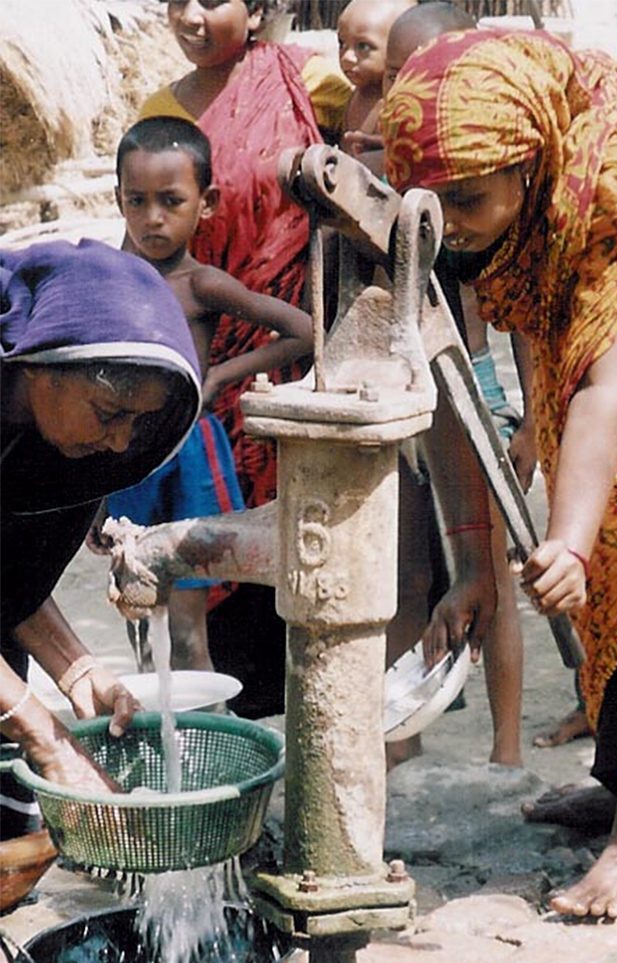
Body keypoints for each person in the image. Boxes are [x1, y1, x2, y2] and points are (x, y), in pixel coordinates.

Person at [381, 28, 617, 916]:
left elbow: (600, 385)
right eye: (432, 204)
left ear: (529, 168)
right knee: (575, 517)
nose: (451, 222)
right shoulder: (456, 205)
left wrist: (573, 539)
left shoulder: (606, 177)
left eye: (469, 202)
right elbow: (456, 382)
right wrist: (476, 564)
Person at [135, 0, 349, 717]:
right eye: (177, 0)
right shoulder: (160, 112)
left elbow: (377, 141)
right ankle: (183, 722)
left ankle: (264, 720)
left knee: (270, 541)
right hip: (170, 410)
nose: (191, 15)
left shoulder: (307, 82)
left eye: (213, 0)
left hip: (268, 371)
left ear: (259, 10)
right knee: (160, 573)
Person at [0, 238, 201, 830]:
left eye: (137, 423)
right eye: (110, 412)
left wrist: (77, 671)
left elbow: (9, 580)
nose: (119, 442)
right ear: (42, 364)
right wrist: (45, 736)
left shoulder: (55, 449)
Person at [105, 116, 313, 673]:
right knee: (137, 611)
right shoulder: (110, 278)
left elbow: (302, 330)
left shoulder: (201, 285)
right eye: (137, 201)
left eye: (170, 201)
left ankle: (204, 748)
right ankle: (155, 741)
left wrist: (219, 377)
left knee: (189, 626)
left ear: (207, 202)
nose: (153, 218)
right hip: (127, 454)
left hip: (190, 450)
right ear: (118, 200)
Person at [384, 2, 525, 767]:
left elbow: (525, 320)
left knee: (492, 576)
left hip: (471, 387)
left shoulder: (481, 169)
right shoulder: (391, 166)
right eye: (397, 71)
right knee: (406, 572)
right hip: (403, 398)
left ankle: (505, 746)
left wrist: (532, 423)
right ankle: (402, 740)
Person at [337, 0, 415, 153]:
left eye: (363, 46)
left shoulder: (395, 105)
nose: (347, 57)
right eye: (342, 43)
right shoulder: (354, 94)